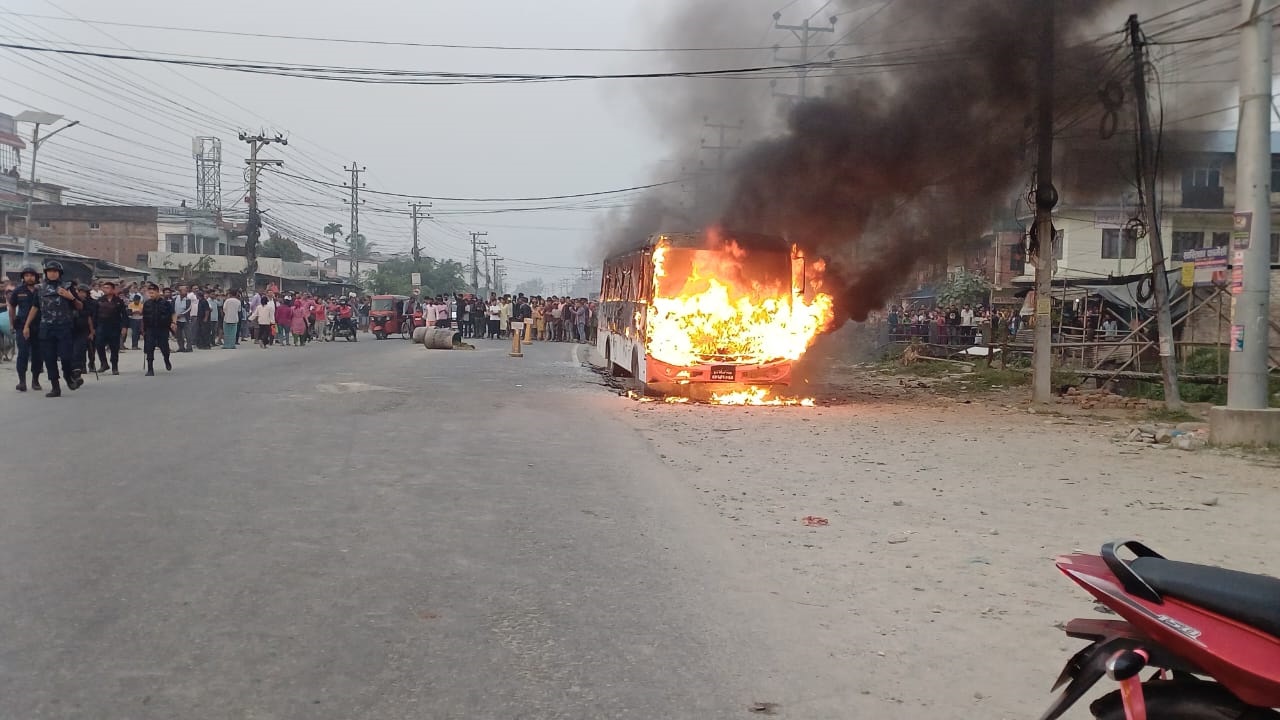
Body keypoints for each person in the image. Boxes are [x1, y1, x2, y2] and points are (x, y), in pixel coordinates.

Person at [27, 261, 84, 397]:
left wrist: (70, 297)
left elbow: (80, 306)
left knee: (65, 356)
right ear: (46, 273)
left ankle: (68, 376)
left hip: (64, 327)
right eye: (50, 271)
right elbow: (35, 308)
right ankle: (55, 387)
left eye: (55, 271)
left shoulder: (68, 287)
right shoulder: (40, 289)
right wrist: (26, 325)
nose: (52, 273)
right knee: (49, 358)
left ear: (59, 273)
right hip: (46, 328)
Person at [7, 265, 43, 392]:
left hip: (39, 326)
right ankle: (22, 382)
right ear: (23, 277)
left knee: (38, 355)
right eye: (26, 275)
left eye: (32, 275)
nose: (29, 277)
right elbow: (11, 307)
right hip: (22, 326)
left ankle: (35, 380)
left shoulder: (41, 290)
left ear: (36, 277)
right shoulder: (18, 290)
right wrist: (12, 323)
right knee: (22, 354)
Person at [141, 282, 176, 375]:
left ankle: (166, 360)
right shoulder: (147, 304)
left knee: (164, 348)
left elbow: (173, 313)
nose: (150, 295)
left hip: (162, 329)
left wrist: (173, 323)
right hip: (150, 329)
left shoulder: (165, 303)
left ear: (157, 292)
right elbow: (144, 317)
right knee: (149, 348)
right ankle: (150, 369)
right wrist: (143, 330)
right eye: (149, 293)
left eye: (152, 293)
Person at [94, 280, 128, 375]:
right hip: (101, 326)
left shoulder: (119, 301)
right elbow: (94, 315)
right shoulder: (99, 300)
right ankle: (104, 363)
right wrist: (93, 328)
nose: (105, 289)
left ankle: (114, 367)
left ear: (113, 290)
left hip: (114, 327)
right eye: (104, 287)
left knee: (114, 348)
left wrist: (124, 327)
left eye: (108, 287)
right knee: (99, 345)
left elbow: (124, 315)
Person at [74, 285, 97, 378]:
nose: (83, 294)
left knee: (87, 349)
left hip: (84, 329)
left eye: (85, 292)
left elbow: (89, 318)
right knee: (78, 351)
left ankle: (91, 364)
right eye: (81, 292)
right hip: (73, 329)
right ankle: (81, 367)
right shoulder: (71, 302)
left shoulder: (88, 303)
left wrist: (91, 332)